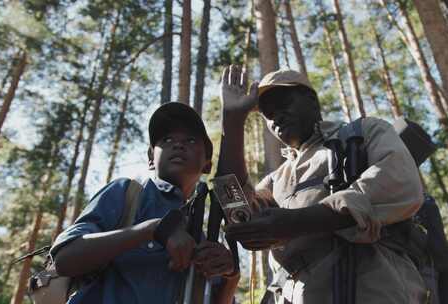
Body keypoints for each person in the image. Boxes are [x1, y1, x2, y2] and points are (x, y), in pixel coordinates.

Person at [217, 65, 427, 303]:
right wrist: (232, 122)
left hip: (373, 289)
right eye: (268, 113)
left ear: (312, 101)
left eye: (284, 103)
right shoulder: (276, 180)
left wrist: (298, 221)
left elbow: (399, 182)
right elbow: (237, 211)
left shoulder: (363, 133)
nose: (277, 117)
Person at [51, 102, 240, 303]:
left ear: (207, 165)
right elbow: (64, 260)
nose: (178, 144)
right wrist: (154, 229)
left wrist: (231, 274)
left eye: (191, 140)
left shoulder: (201, 237)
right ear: (151, 158)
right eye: (166, 140)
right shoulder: (125, 194)